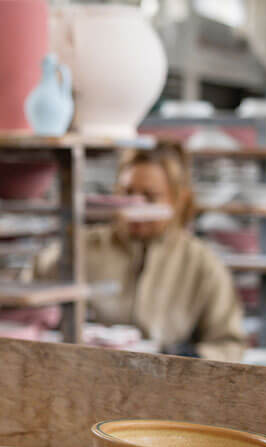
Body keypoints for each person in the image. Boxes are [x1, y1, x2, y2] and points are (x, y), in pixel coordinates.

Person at [81, 143, 246, 362]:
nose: (135, 205)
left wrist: (189, 358)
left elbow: (230, 344)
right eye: (128, 193)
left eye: (150, 197)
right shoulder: (83, 248)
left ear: (178, 200)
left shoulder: (202, 264)